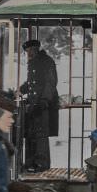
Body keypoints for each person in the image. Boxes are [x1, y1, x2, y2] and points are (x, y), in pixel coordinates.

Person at [19, 39, 59, 172]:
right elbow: (31, 83)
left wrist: (44, 101)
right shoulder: (33, 62)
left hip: (43, 104)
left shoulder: (46, 61)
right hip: (33, 103)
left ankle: (42, 164)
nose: (28, 53)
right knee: (31, 133)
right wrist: (19, 90)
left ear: (36, 49)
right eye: (27, 51)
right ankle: (30, 162)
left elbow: (50, 83)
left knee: (41, 134)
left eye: (30, 50)